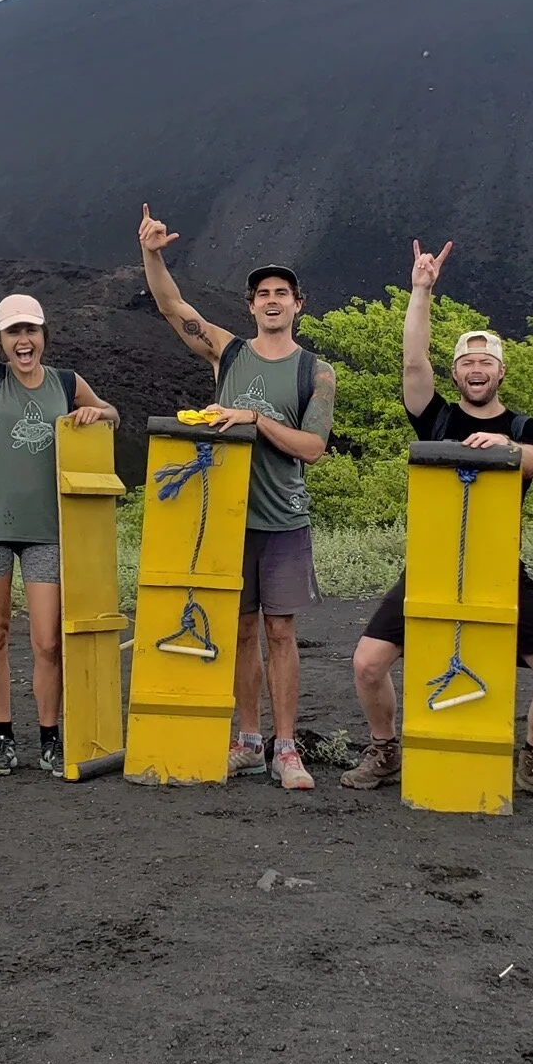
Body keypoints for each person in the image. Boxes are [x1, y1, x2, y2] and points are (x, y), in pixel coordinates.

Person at [340, 241, 533, 800]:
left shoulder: (527, 427)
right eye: (467, 362)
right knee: (367, 663)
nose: (477, 369)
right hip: (430, 566)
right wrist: (421, 290)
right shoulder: (436, 418)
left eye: (486, 362)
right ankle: (385, 749)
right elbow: (412, 362)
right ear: (455, 372)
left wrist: (502, 446)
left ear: (501, 370)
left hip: (497, 570)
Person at [137, 203, 335, 791]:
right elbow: (175, 309)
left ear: (298, 304)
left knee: (281, 632)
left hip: (282, 519)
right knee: (242, 630)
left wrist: (252, 417)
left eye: (282, 292)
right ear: (250, 306)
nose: (272, 299)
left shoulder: (315, 373)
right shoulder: (229, 353)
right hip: (224, 518)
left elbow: (312, 447)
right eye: (262, 293)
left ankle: (288, 746)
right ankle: (248, 740)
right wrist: (151, 255)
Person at [0, 179, 120, 779]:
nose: (24, 339)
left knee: (47, 640)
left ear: (44, 335)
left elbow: (112, 413)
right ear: (0, 339)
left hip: (48, 529)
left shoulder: (67, 381)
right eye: (13, 331)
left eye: (32, 330)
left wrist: (99, 412)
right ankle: (1, 739)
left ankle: (48, 736)